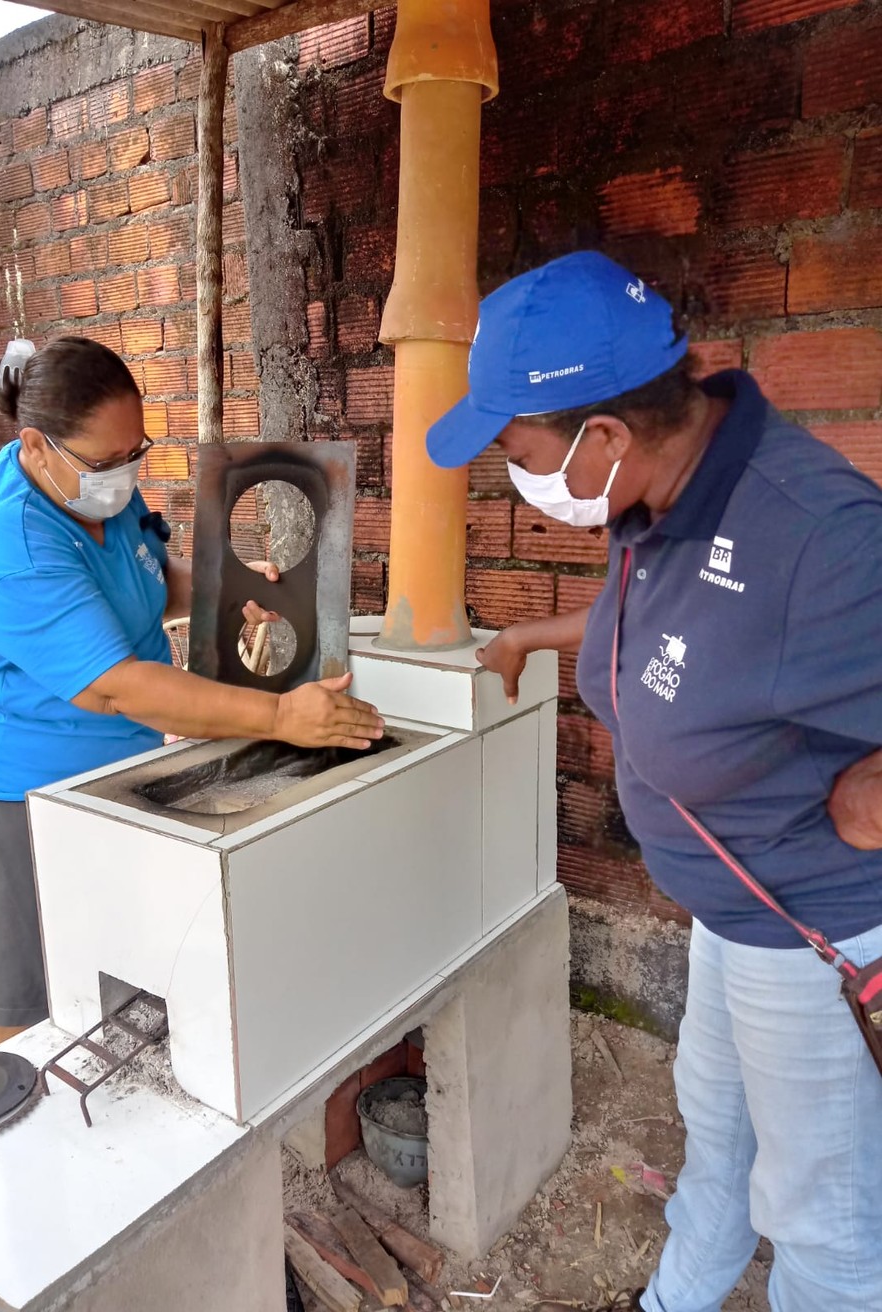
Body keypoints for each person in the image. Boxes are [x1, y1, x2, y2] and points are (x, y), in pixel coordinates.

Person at [426, 251, 882, 1312]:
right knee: (716, 1138)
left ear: (606, 435)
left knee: (824, 1215)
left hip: (809, 930)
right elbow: (703, 636)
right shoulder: (665, 493)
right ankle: (676, 1298)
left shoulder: (821, 539)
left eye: (515, 444)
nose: (508, 467)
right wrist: (537, 634)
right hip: (729, 915)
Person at [0, 335, 383, 1048]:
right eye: (107, 462)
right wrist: (281, 714)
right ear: (36, 447)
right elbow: (117, 690)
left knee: (110, 979)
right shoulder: (6, 540)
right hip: (12, 798)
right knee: (32, 1017)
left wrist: (226, 592)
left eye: (135, 453)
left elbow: (151, 576)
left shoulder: (97, 490)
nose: (124, 474)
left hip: (111, 777)